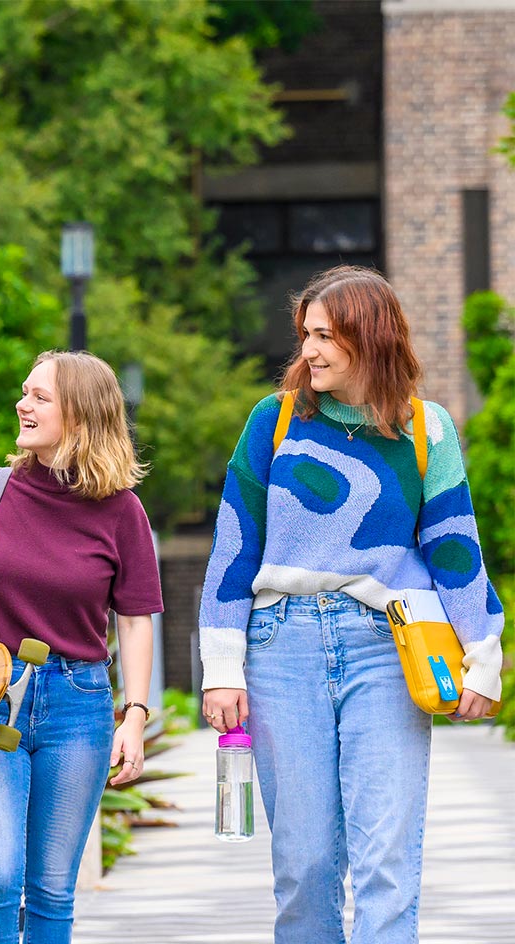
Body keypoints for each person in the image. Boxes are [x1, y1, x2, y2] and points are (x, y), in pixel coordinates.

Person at [198, 265, 503, 944]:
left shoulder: (428, 429)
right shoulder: (273, 420)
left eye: (325, 336)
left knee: (385, 862)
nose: (308, 351)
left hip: (387, 650)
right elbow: (233, 545)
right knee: (305, 865)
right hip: (282, 647)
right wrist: (223, 665)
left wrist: (483, 656)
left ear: (370, 337)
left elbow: (455, 547)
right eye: (305, 333)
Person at [0, 350, 161, 944]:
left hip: (78, 703)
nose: (22, 404)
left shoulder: (121, 510)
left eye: (40, 396)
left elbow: (134, 620)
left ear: (81, 414)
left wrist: (135, 715)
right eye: (25, 392)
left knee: (51, 889)